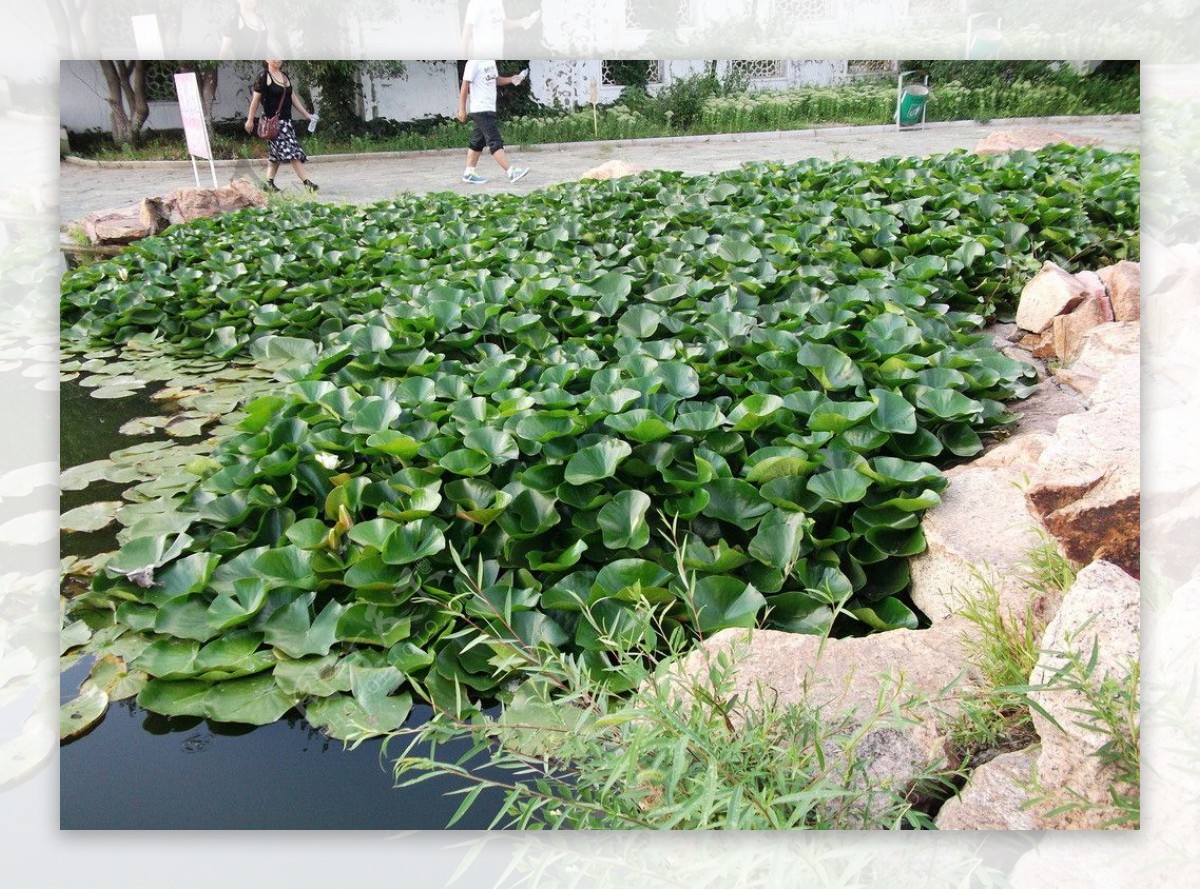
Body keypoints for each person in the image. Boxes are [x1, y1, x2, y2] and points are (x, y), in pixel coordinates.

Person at [243, 60, 318, 192]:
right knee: (292, 152)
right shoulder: (263, 77)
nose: (277, 59)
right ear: (267, 59)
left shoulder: (284, 76)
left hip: (286, 122)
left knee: (275, 155)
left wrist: (306, 114)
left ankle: (269, 183)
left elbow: (292, 97)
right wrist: (250, 120)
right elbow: (255, 100)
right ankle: (307, 183)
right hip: (273, 123)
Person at [458, 60, 529, 185]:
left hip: (489, 107)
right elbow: (465, 85)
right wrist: (462, 108)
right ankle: (511, 172)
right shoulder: (474, 62)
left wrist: (511, 79)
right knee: (494, 140)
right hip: (480, 108)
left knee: (478, 141)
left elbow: (494, 79)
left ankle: (469, 173)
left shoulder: (490, 61)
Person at [459, 0, 540, 59]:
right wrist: (464, 60)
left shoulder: (497, 2)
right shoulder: (476, 3)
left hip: (497, 54)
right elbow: (466, 33)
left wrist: (522, 22)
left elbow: (502, 23)